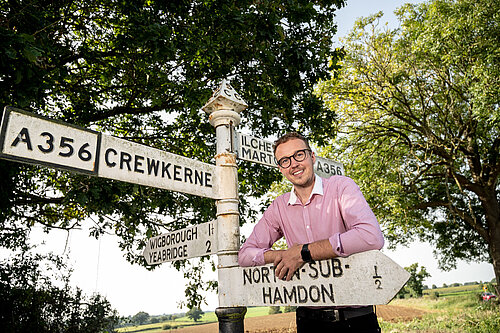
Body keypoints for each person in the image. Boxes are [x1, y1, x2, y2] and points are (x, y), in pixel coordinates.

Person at [238, 132, 384, 333]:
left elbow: (370, 237)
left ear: (312, 157)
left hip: (356, 320)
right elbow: (245, 255)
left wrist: (303, 253)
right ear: (281, 169)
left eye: (299, 155)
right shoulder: (278, 207)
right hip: (309, 323)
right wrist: (285, 255)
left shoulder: (341, 187)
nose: (294, 164)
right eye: (285, 160)